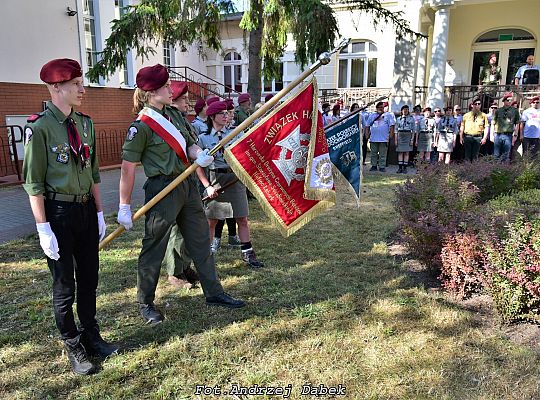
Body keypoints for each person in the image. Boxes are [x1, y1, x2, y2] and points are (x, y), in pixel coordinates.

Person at [117, 64, 245, 325]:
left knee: (200, 241)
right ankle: (146, 303)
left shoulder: (173, 115)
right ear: (152, 92)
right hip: (163, 189)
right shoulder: (141, 126)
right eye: (165, 86)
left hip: (186, 185)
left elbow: (189, 144)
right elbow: (127, 167)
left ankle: (214, 292)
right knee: (154, 247)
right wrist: (123, 205)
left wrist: (200, 155)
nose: (170, 89)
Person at [22, 58, 118, 375]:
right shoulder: (39, 128)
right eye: (76, 84)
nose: (82, 89)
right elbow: (33, 182)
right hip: (58, 213)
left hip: (85, 211)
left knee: (89, 279)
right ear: (56, 87)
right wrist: (42, 228)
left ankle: (91, 336)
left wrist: (101, 213)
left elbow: (92, 174)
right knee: (65, 286)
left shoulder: (86, 124)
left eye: (81, 82)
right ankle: (73, 344)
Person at [197, 100, 264, 268]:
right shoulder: (203, 138)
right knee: (212, 220)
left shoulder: (236, 133)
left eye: (227, 113)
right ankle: (206, 257)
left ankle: (248, 254)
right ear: (212, 116)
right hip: (215, 180)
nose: (226, 116)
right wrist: (207, 186)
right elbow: (197, 166)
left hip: (234, 179)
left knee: (242, 218)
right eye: (222, 114)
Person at [161, 81, 200, 289]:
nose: (188, 101)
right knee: (176, 229)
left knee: (187, 229)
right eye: (184, 98)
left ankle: (184, 265)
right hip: (174, 179)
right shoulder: (166, 120)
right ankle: (174, 272)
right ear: (173, 100)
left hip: (188, 178)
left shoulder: (182, 120)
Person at [364, 101, 394, 172]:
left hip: (384, 138)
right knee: (373, 153)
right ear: (376, 108)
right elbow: (367, 125)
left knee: (382, 153)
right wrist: (366, 135)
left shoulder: (388, 115)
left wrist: (391, 135)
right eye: (379, 107)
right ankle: (374, 166)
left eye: (382, 107)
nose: (381, 108)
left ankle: (382, 166)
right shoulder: (372, 115)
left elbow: (392, 126)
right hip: (373, 138)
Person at [491, 93, 520, 163]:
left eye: (510, 100)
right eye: (508, 100)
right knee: (496, 155)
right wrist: (492, 135)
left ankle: (504, 172)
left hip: (508, 135)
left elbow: (517, 124)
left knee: (506, 155)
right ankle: (495, 171)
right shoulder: (498, 110)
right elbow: (493, 123)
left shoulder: (515, 111)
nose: (509, 102)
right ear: (504, 101)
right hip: (498, 135)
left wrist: (515, 135)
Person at [395, 105, 416, 173]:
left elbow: (413, 130)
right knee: (400, 152)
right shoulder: (398, 119)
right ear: (401, 111)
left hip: (408, 135)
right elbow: (396, 130)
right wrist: (396, 139)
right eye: (404, 109)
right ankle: (400, 167)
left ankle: (405, 168)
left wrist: (412, 139)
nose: (405, 111)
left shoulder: (411, 119)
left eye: (407, 109)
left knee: (407, 153)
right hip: (400, 135)